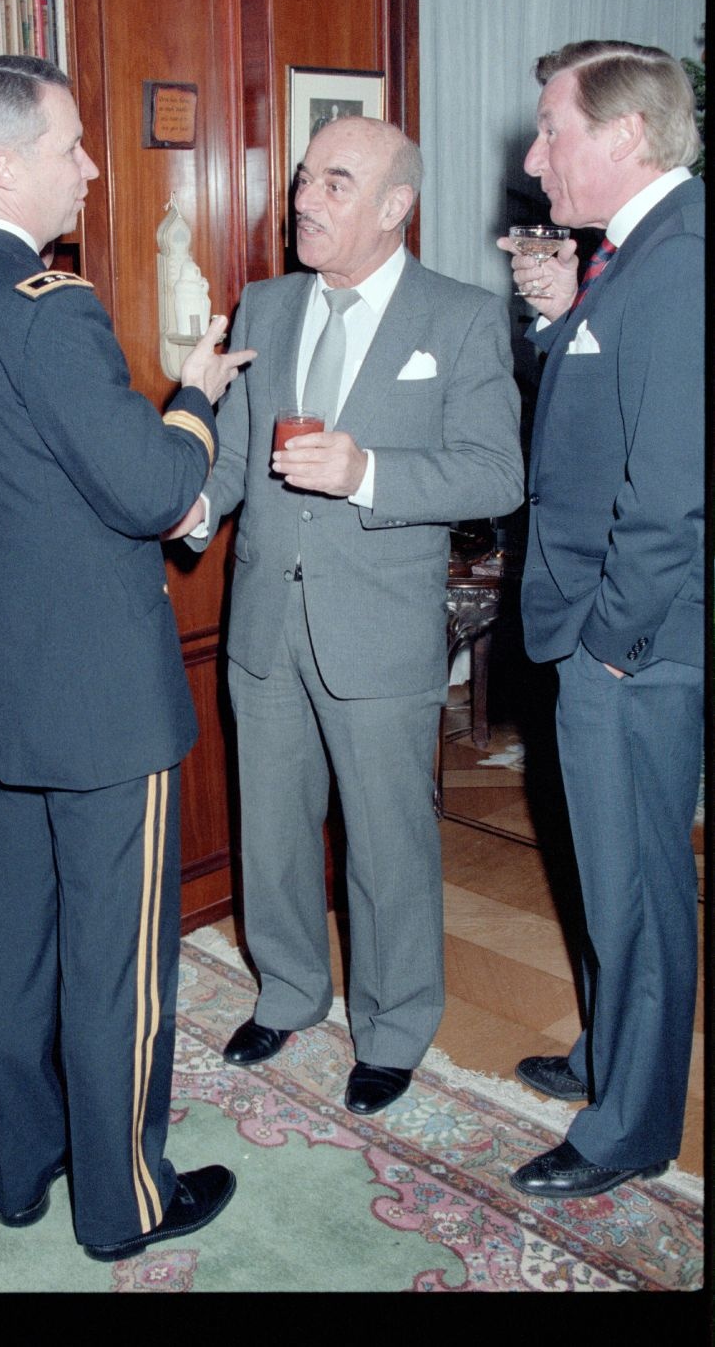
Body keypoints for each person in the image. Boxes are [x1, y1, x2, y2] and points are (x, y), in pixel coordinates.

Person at [0, 54, 255, 1262]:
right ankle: (124, 1202)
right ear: (1, 164)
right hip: (100, 703)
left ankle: (23, 1172)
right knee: (115, 959)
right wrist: (191, 398)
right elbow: (150, 492)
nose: (91, 167)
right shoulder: (51, 306)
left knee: (9, 940)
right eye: (74, 145)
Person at [169, 116, 523, 1114]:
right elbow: (237, 456)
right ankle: (287, 991)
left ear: (395, 209)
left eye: (333, 182)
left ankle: (396, 1026)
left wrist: (368, 471)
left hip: (378, 633)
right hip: (264, 627)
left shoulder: (456, 318)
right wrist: (190, 504)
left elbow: (498, 473)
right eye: (300, 179)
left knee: (387, 841)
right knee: (271, 830)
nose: (302, 200)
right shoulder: (266, 304)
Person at [497, 40, 703, 1199]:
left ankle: (629, 1126)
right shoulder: (635, 255)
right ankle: (609, 1059)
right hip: (603, 628)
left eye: (550, 131)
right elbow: (597, 417)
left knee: (640, 887)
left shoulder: (683, 260)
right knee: (606, 871)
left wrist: (612, 649)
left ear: (624, 138)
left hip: (632, 641)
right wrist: (556, 319)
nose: (533, 159)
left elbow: (669, 494)